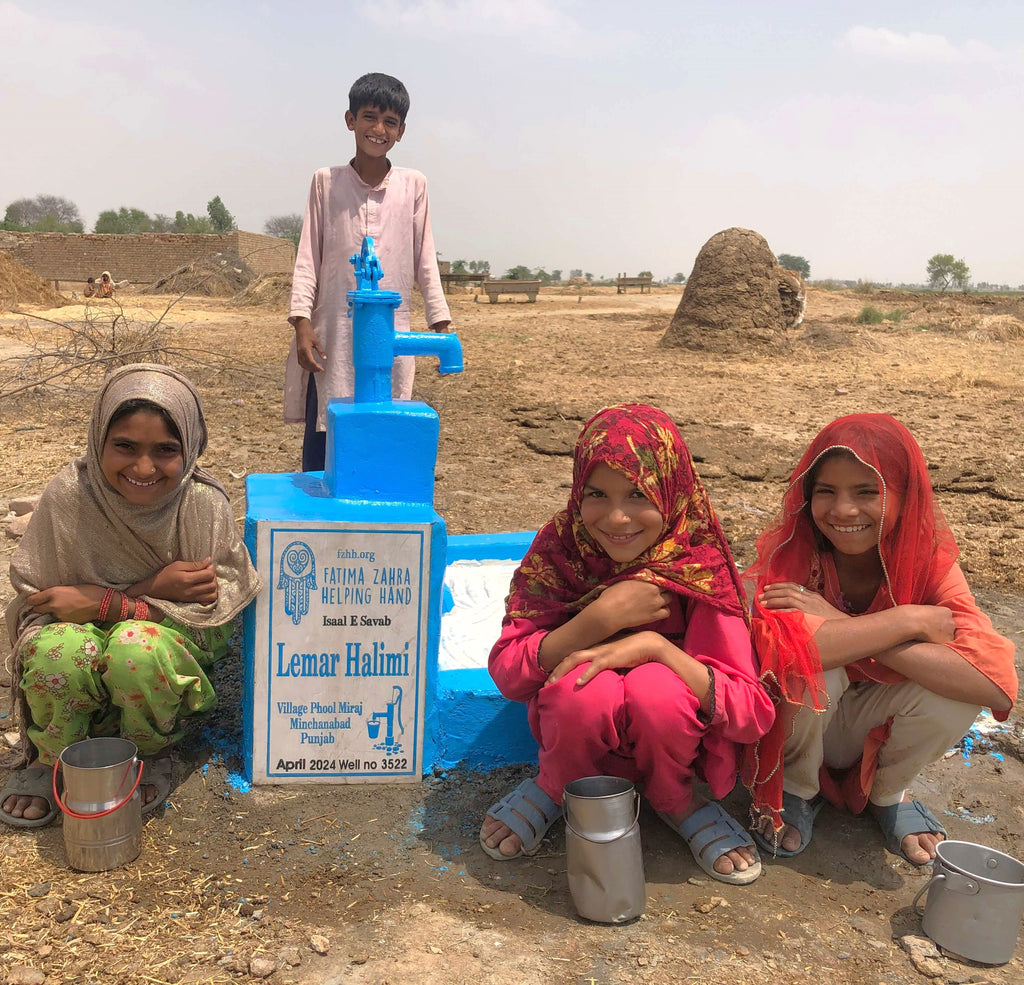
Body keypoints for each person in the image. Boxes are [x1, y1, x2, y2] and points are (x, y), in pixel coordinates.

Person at [480, 405, 775, 884]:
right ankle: (557, 787)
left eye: (639, 494)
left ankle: (675, 799)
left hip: (674, 745)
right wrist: (596, 620)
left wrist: (657, 650)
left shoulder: (697, 562)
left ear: (672, 490)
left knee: (657, 689)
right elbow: (511, 673)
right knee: (584, 688)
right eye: (596, 494)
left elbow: (751, 713)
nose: (616, 518)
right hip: (573, 736)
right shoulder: (562, 549)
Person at [743, 414, 1017, 864]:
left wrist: (845, 624)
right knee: (813, 667)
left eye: (868, 492)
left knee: (953, 692)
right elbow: (785, 655)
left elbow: (993, 682)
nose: (843, 510)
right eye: (825, 491)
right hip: (799, 726)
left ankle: (888, 794)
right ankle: (794, 787)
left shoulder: (927, 563)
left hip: (868, 723)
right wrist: (908, 621)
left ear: (906, 497)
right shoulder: (795, 554)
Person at [1, 364, 261, 828]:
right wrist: (150, 590)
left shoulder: (199, 506)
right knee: (56, 647)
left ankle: (151, 752)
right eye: (125, 447)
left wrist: (110, 605)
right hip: (75, 673)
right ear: (98, 438)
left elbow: (212, 628)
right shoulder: (70, 497)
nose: (144, 468)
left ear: (190, 448)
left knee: (135, 648)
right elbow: (37, 605)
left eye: (165, 450)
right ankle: (51, 757)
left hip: (153, 690)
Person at [283, 72, 451, 472]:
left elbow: (424, 257)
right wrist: (302, 324)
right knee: (327, 437)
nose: (378, 129)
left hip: (390, 331)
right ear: (350, 119)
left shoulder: (414, 185)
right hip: (333, 335)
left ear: (401, 131)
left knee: (383, 434)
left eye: (389, 122)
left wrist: (440, 322)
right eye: (369, 117)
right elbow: (308, 256)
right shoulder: (326, 182)